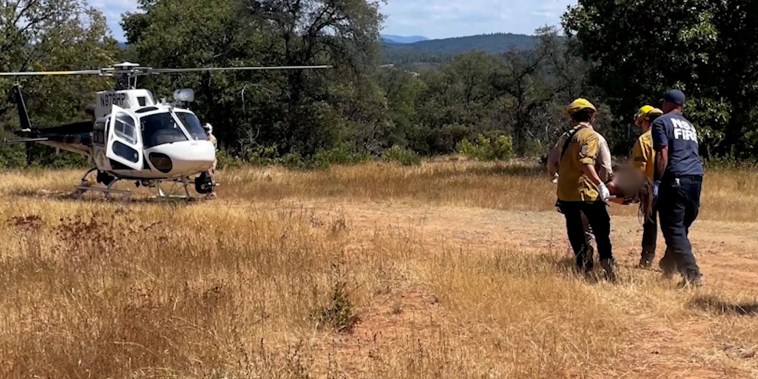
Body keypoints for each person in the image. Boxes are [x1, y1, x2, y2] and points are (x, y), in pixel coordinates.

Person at [547, 98, 617, 280]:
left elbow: (551, 162)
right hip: (587, 193)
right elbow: (590, 163)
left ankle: (583, 268)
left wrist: (556, 178)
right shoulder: (591, 136)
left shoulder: (564, 137)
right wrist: (601, 184)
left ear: (572, 117)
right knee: (602, 230)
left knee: (576, 232)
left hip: (565, 195)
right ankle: (607, 263)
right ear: (591, 117)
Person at [651, 89, 704, 287]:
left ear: (667, 103)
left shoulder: (661, 122)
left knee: (673, 229)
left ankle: (692, 274)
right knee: (681, 227)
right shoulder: (690, 125)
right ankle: (668, 266)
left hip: (675, 178)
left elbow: (662, 153)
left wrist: (657, 181)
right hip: (695, 179)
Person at [631, 105, 664, 268]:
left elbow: (640, 169)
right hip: (673, 186)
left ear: (645, 121)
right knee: (672, 226)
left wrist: (639, 191)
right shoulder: (671, 136)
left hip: (651, 188)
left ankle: (647, 259)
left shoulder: (644, 140)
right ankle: (673, 260)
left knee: (650, 223)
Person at [203, 123, 218, 199]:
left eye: (206, 129)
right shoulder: (204, 138)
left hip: (211, 158)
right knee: (205, 175)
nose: (205, 131)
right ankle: (208, 192)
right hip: (206, 158)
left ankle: (213, 192)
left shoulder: (211, 138)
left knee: (210, 174)